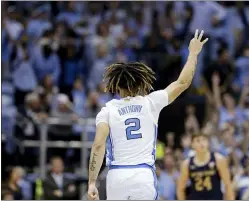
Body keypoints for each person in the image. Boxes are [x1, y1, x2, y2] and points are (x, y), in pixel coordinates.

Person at [87, 29, 208, 200]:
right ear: (139, 85)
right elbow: (183, 82)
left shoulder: (108, 109)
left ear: (117, 87)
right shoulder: (150, 102)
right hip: (143, 175)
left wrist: (92, 182)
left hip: (117, 176)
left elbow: (98, 145)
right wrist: (193, 54)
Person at [177, 133, 235, 200]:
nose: (201, 143)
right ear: (192, 144)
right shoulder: (187, 164)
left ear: (208, 142)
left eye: (204, 140)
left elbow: (228, 185)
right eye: (198, 141)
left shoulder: (218, 159)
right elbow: (180, 189)